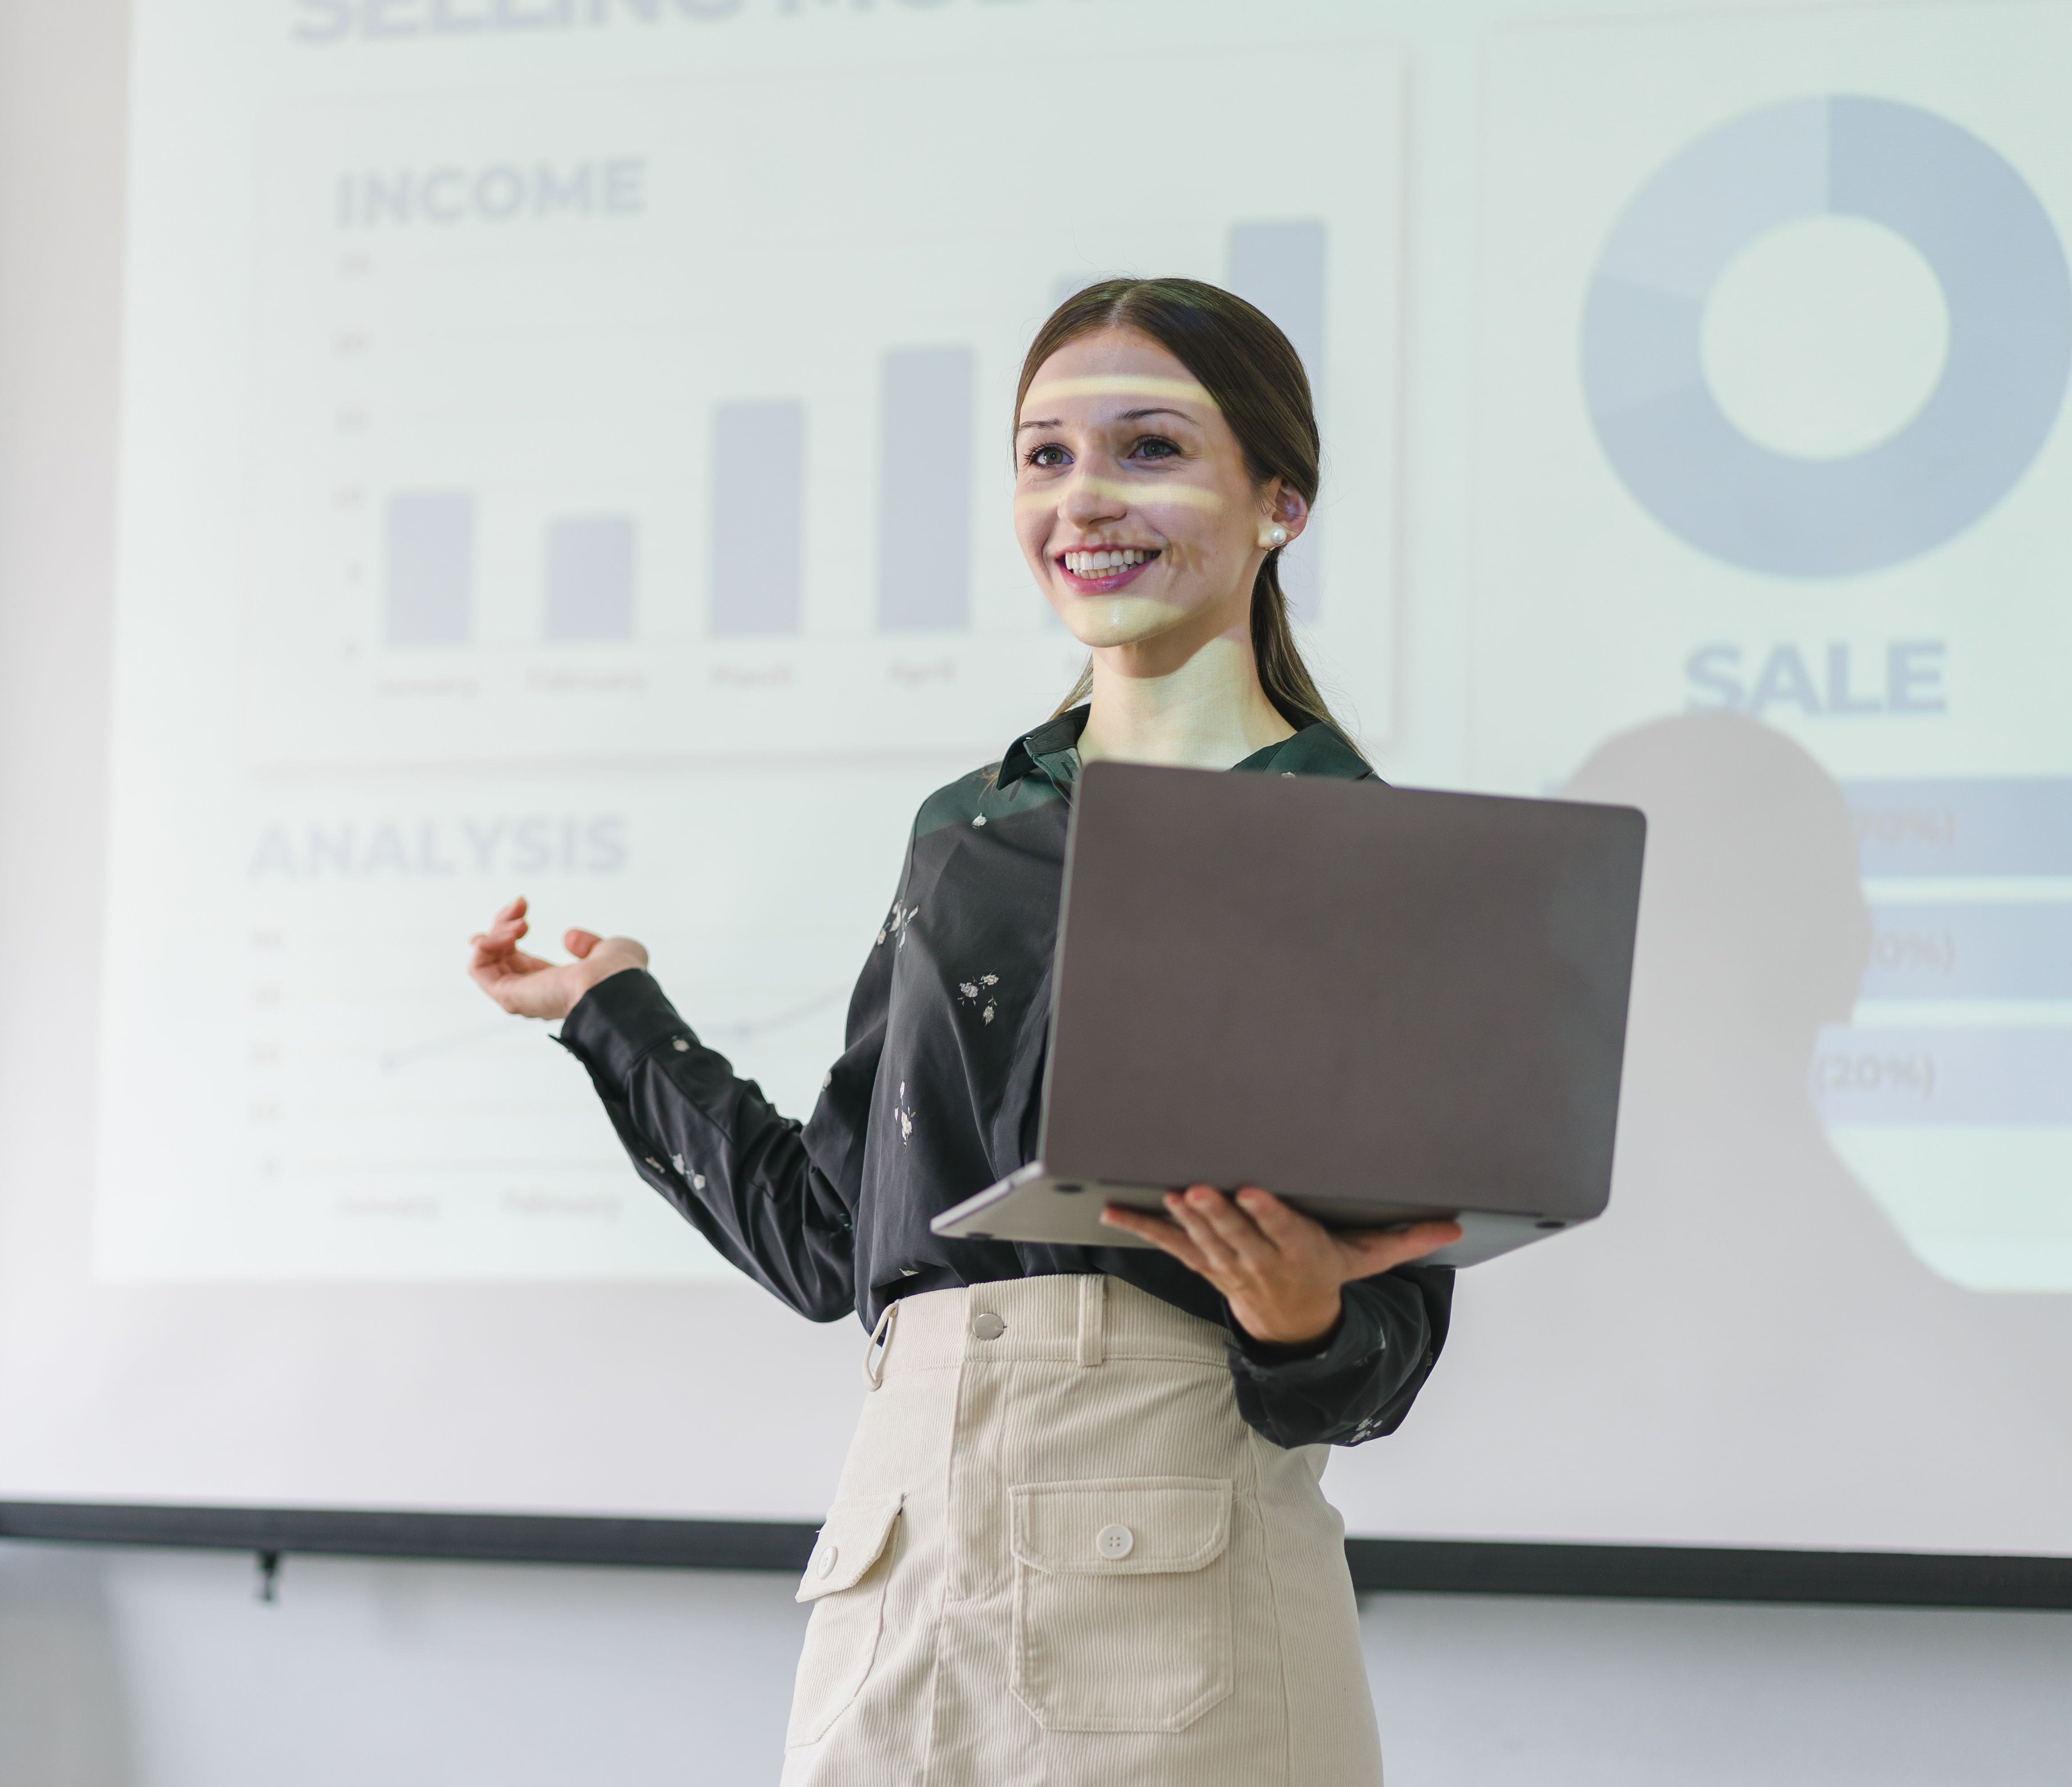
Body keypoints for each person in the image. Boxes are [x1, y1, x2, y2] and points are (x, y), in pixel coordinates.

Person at [465, 279, 1459, 1785]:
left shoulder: (1347, 852)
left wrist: (1301, 1313)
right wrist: (611, 1017)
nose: (1084, 499)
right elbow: (828, 1241)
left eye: (1148, 449)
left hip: (1175, 1572)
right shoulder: (967, 835)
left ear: (1280, 502)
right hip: (900, 1568)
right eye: (1043, 455)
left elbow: (1384, 1354)